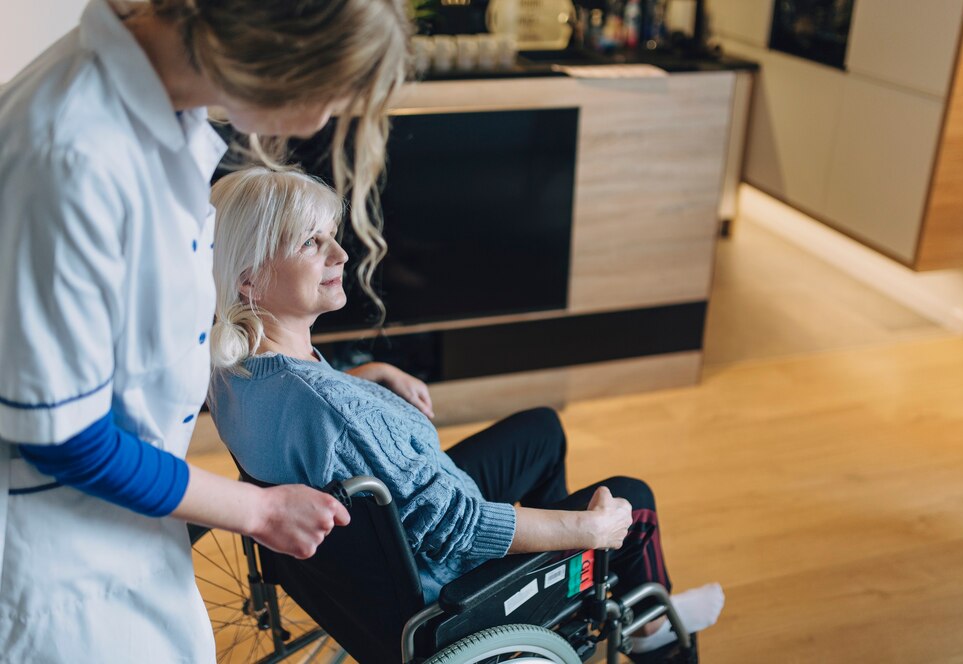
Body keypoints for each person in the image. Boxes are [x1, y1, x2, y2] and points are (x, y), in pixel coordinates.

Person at [0, 0, 410, 660]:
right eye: (333, 92)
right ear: (282, 52)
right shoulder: (72, 153)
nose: (326, 118)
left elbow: (143, 359)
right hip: (55, 568)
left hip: (128, 533)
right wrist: (260, 512)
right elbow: (66, 438)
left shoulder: (166, 125)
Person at [207, 167, 725, 662]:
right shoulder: (335, 412)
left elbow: (309, 421)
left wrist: (371, 373)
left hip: (374, 560)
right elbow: (459, 529)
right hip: (445, 582)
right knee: (633, 501)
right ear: (250, 280)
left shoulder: (234, 367)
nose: (340, 253)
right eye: (311, 243)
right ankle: (657, 637)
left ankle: (562, 599)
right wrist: (589, 531)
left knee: (540, 431)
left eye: (331, 236)